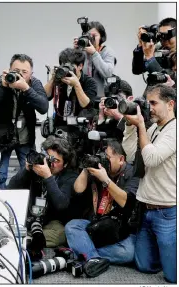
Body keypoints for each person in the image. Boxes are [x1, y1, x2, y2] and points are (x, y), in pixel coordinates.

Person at [122, 84, 176, 283]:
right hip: (146, 209)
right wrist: (130, 126)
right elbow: (130, 155)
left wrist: (141, 126)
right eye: (148, 102)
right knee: (144, 265)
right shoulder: (154, 128)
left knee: (173, 277)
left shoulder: (174, 130)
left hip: (168, 212)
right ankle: (166, 252)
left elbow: (151, 159)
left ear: (170, 104)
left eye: (154, 103)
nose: (149, 107)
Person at [65, 140, 139, 276]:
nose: (103, 161)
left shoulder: (133, 173)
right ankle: (93, 258)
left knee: (129, 253)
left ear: (121, 159)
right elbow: (77, 191)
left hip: (121, 230)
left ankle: (83, 252)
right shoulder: (99, 170)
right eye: (102, 156)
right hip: (97, 225)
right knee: (72, 226)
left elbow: (127, 202)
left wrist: (106, 180)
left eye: (107, 158)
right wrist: (86, 169)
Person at [0, 54, 48, 189]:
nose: (20, 75)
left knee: (30, 172)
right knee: (0, 175)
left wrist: (26, 89)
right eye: (16, 71)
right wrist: (3, 86)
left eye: (25, 72)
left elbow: (43, 107)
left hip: (25, 137)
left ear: (31, 74)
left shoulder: (34, 83)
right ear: (9, 69)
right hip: (2, 137)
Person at [8, 136, 78, 247]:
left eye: (56, 160)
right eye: (48, 158)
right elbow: (10, 189)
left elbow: (61, 204)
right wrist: (26, 170)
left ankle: (27, 240)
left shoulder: (71, 177)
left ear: (65, 164)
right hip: (33, 218)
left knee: (60, 234)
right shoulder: (38, 171)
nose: (51, 163)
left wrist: (48, 176)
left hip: (55, 222)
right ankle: (29, 238)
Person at [74, 21, 116, 97]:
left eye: (94, 36)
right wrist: (75, 51)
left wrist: (94, 54)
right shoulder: (82, 51)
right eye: (89, 36)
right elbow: (74, 72)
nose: (91, 38)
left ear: (101, 37)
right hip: (83, 98)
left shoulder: (107, 51)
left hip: (100, 99)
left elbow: (108, 73)